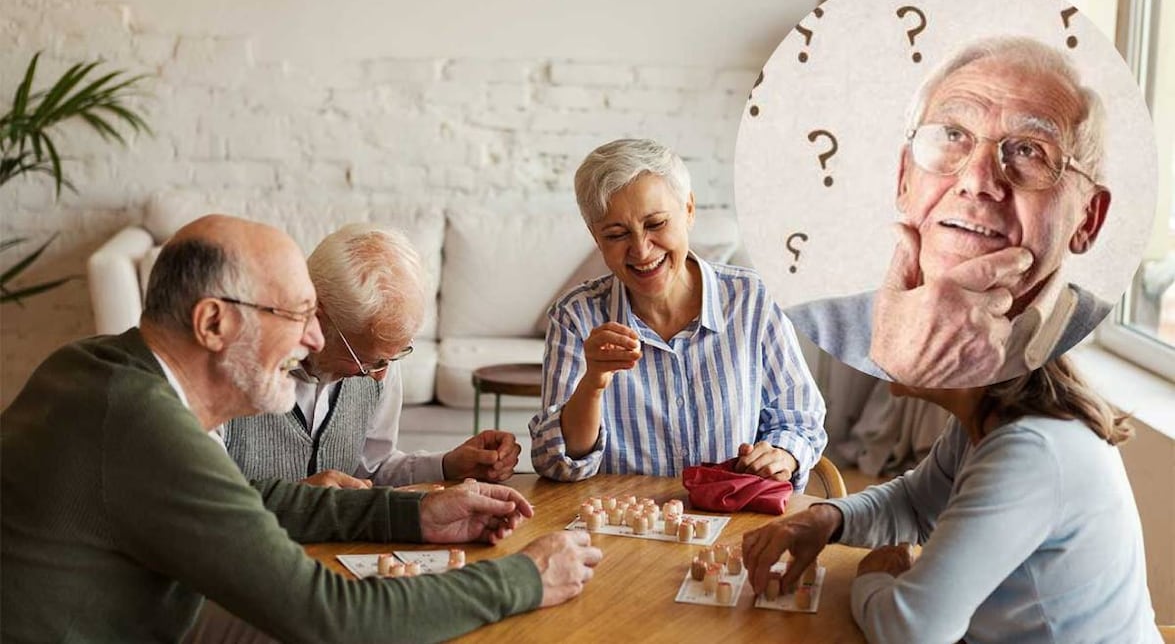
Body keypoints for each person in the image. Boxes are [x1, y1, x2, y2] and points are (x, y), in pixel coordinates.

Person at [1, 215, 601, 643]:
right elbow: (330, 616)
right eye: (294, 316)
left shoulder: (98, 365)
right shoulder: (142, 423)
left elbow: (244, 498)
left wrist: (412, 514)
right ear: (213, 322)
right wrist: (523, 577)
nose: (311, 340)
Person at [742, 356, 1160, 643]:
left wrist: (873, 577)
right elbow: (914, 502)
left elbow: (913, 631)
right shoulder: (986, 421)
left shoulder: (1029, 452)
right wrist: (827, 518)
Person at [787, 36, 1114, 388]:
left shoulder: (1106, 365)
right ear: (904, 180)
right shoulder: (798, 332)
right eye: (953, 134)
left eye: (1028, 150)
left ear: (1088, 218)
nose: (977, 181)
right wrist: (894, 368)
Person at [529, 138, 827, 488]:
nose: (641, 250)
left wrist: (781, 454)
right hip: (623, 531)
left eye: (655, 224)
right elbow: (555, 462)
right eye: (616, 233)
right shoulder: (575, 317)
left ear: (688, 210)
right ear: (596, 237)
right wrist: (593, 383)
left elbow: (800, 420)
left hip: (733, 522)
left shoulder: (753, 300)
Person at [221, 223, 520, 488]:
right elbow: (202, 502)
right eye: (367, 361)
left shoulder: (379, 357)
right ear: (317, 316)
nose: (380, 375)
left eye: (394, 356)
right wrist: (302, 498)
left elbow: (372, 468)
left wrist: (448, 465)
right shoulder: (231, 369)